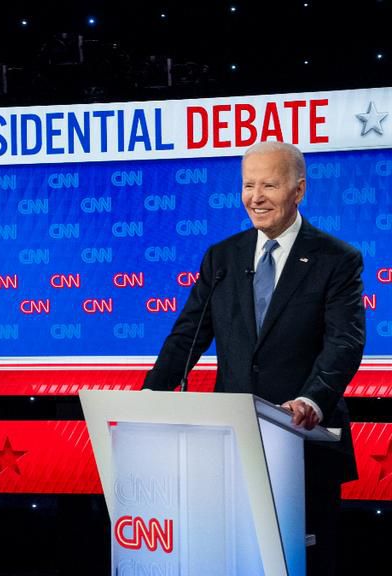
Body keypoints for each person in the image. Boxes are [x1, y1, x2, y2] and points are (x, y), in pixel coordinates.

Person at [142, 141, 364, 575]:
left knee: (307, 562)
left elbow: (345, 342)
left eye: (268, 184)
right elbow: (187, 335)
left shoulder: (337, 260)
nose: (255, 196)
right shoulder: (222, 257)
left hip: (303, 445)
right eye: (248, 185)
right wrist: (152, 393)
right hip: (232, 446)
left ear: (298, 190)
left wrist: (311, 400)